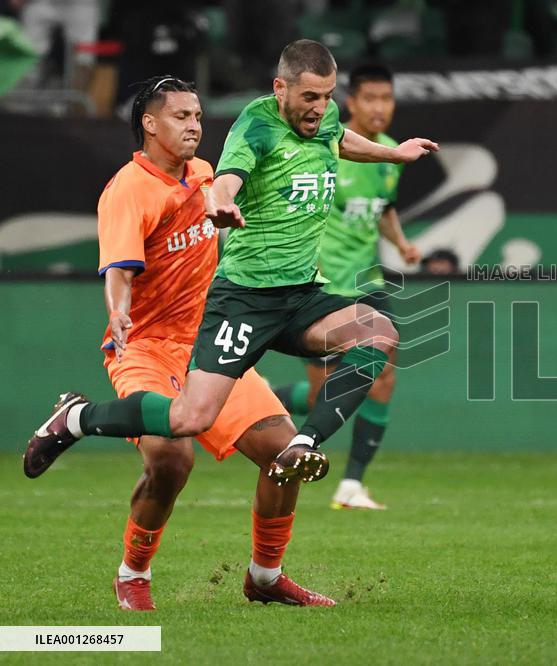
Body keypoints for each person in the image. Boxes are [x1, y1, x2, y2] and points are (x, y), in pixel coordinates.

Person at [26, 40, 437, 490]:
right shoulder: (255, 126)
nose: (321, 108)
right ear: (280, 88)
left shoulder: (325, 117)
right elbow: (226, 179)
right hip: (245, 298)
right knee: (188, 418)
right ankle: (78, 418)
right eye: (310, 98)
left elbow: (336, 137)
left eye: (328, 95)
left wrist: (394, 154)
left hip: (300, 293)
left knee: (379, 332)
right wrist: (219, 204)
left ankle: (304, 444)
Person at [23, 75, 334, 610]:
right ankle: (133, 573)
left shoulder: (208, 175)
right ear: (149, 124)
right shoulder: (129, 188)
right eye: (180, 117)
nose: (194, 126)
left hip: (210, 342)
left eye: (196, 116)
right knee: (171, 459)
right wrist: (117, 311)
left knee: (285, 455)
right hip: (145, 345)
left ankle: (265, 578)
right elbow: (118, 269)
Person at [273, 63, 419, 511]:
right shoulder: (329, 148)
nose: (380, 107)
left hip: (365, 279)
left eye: (387, 98)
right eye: (370, 98)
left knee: (384, 373)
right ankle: (236, 398)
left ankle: (352, 484)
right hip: (323, 284)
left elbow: (383, 208)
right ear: (350, 102)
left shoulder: (390, 153)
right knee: (323, 396)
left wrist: (401, 243)